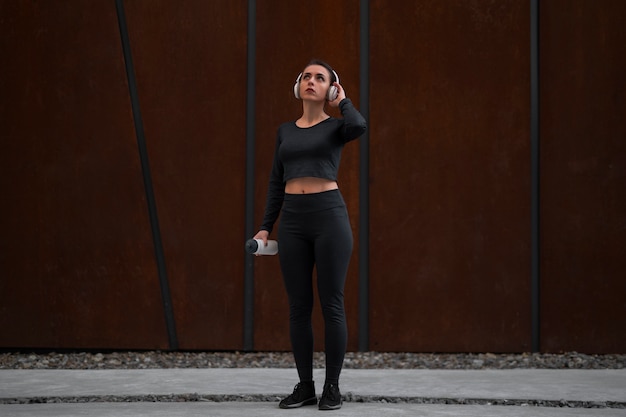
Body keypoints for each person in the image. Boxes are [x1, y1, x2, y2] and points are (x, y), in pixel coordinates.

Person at [252, 59, 367, 411]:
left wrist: (343, 101)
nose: (311, 81)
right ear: (297, 85)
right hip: (293, 222)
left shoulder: (337, 126)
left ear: (331, 88)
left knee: (332, 303)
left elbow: (359, 125)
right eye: (306, 76)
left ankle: (333, 386)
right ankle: (306, 386)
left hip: (329, 218)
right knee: (298, 307)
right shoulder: (285, 131)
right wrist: (265, 226)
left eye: (321, 78)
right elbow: (275, 181)